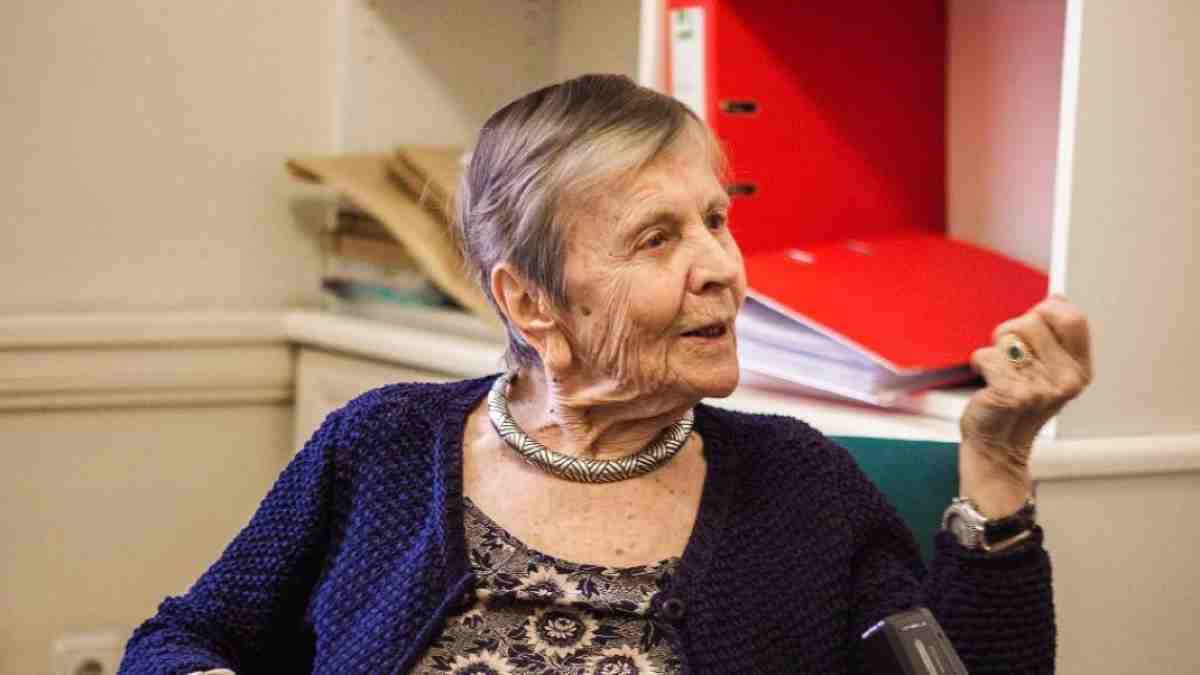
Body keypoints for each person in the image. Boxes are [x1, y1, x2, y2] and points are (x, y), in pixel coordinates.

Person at [119, 74, 1092, 675]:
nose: (722, 267)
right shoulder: (380, 446)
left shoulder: (801, 489)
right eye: (657, 237)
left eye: (717, 219)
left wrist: (998, 464)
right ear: (533, 300)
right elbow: (178, 640)